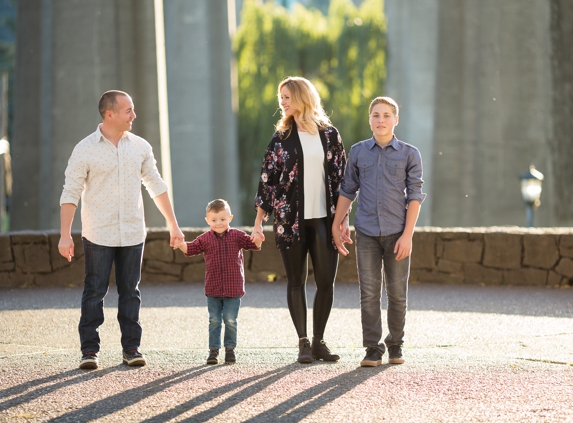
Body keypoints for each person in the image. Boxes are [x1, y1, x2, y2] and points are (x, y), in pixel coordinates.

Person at [58, 90, 184, 370]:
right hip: (98, 233)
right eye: (128, 110)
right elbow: (71, 192)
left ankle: (132, 348)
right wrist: (65, 234)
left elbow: (157, 186)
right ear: (109, 114)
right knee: (94, 291)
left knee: (131, 292)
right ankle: (89, 351)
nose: (134, 115)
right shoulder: (85, 149)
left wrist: (173, 225)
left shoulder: (140, 147)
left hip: (132, 232)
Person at [251, 76, 347, 364]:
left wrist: (341, 220)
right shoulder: (280, 138)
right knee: (296, 281)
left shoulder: (329, 134)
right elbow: (267, 182)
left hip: (324, 220)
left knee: (326, 282)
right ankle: (303, 342)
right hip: (289, 220)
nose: (282, 102)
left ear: (303, 97)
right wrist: (258, 221)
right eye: (281, 97)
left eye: (287, 96)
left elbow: (341, 180)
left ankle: (319, 342)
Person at [332, 96, 425, 367]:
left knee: (397, 293)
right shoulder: (359, 152)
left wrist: (408, 235)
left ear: (396, 120)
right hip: (367, 233)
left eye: (386, 115)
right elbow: (348, 189)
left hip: (397, 233)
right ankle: (373, 349)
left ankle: (395, 344)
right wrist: (338, 223)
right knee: (369, 292)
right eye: (376, 115)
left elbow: (415, 196)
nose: (381, 120)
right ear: (369, 119)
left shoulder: (410, 153)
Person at [176, 199, 261, 365]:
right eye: (214, 220)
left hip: (233, 288)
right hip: (213, 288)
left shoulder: (237, 236)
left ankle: (230, 349)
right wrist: (180, 244)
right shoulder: (205, 239)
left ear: (230, 218)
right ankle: (213, 351)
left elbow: (253, 244)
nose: (219, 223)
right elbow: (191, 248)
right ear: (207, 221)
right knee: (214, 320)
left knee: (230, 320)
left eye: (223, 219)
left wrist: (258, 238)